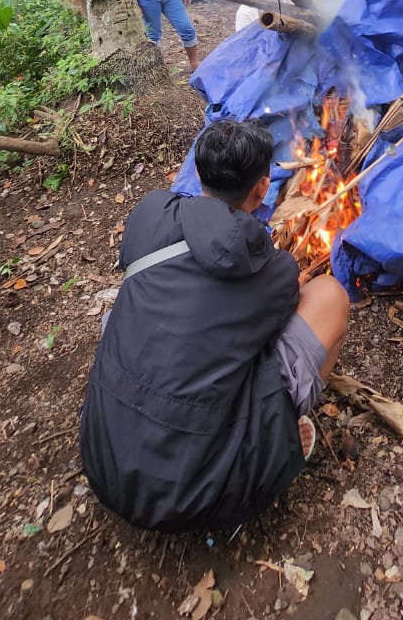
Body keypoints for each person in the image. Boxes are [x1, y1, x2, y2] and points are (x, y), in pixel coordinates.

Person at [79, 119, 350, 532]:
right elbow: (273, 313)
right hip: (201, 493)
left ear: (200, 172)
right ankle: (282, 431)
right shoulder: (273, 271)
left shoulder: (150, 213)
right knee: (330, 295)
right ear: (262, 189)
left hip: (105, 460)